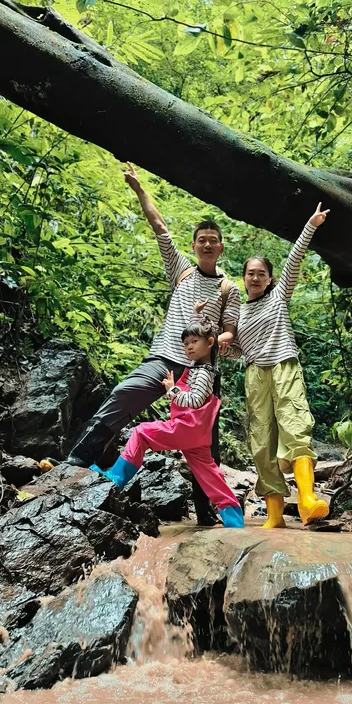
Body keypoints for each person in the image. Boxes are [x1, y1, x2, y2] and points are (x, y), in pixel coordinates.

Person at [57, 162, 240, 526]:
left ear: (221, 247)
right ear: (194, 245)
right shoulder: (182, 272)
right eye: (200, 238)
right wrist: (139, 189)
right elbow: (160, 228)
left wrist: (207, 341)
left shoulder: (228, 288)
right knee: (125, 393)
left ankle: (209, 512)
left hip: (200, 370)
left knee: (205, 447)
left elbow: (231, 332)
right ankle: (77, 459)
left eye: (212, 239)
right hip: (164, 359)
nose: (206, 243)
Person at [91, 305, 244, 528]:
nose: (189, 347)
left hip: (186, 427)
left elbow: (194, 400)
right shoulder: (204, 366)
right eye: (186, 344)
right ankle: (234, 519)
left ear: (210, 343)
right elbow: (203, 332)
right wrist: (196, 314)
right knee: (209, 473)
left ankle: (116, 478)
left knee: (141, 433)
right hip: (197, 434)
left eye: (194, 342)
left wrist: (172, 390)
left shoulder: (202, 373)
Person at [235, 203, 330, 528]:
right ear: (244, 278)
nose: (256, 277)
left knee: (294, 424)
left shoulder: (278, 297)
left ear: (270, 278)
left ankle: (306, 500)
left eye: (262, 273)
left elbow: (294, 259)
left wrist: (311, 225)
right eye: (251, 273)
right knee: (261, 441)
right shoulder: (239, 313)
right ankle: (275, 514)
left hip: (284, 365)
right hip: (254, 374)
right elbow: (235, 350)